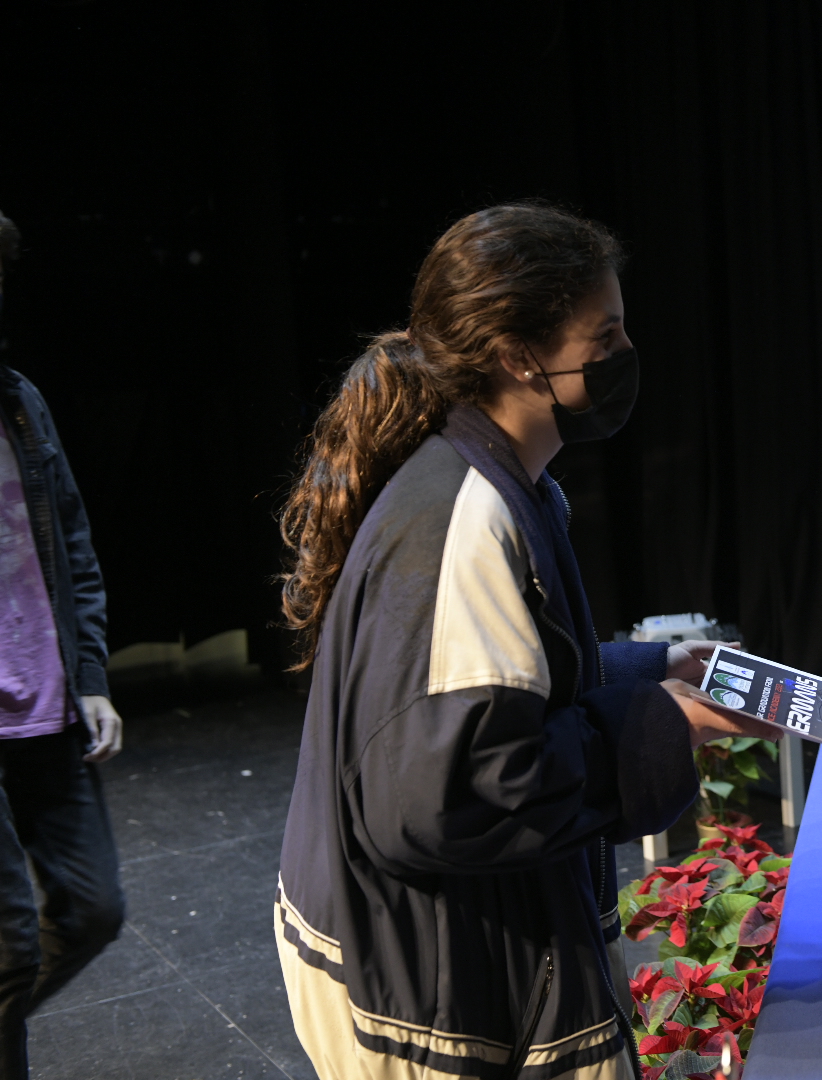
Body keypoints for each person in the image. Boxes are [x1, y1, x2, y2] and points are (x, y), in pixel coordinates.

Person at [275, 203, 773, 1080]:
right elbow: (456, 789)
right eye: (604, 335)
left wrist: (656, 666)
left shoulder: (496, 481)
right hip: (428, 986)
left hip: (429, 946)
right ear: (516, 357)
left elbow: (495, 688)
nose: (621, 356)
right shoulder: (467, 512)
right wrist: (662, 723)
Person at [0, 211, 126, 1079]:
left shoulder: (18, 400)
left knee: (92, 911)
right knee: (6, 944)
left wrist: (89, 676)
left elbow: (72, 545)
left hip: (43, 702)